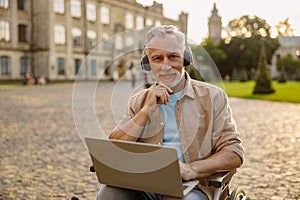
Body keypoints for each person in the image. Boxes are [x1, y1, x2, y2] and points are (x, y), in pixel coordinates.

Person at [97, 25, 244, 200]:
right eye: (157, 58)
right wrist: (146, 110)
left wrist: (192, 169)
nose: (165, 66)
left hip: (193, 187)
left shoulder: (213, 97)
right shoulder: (138, 101)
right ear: (147, 63)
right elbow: (115, 147)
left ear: (186, 59)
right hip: (143, 185)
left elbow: (234, 152)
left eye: (173, 56)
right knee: (109, 194)